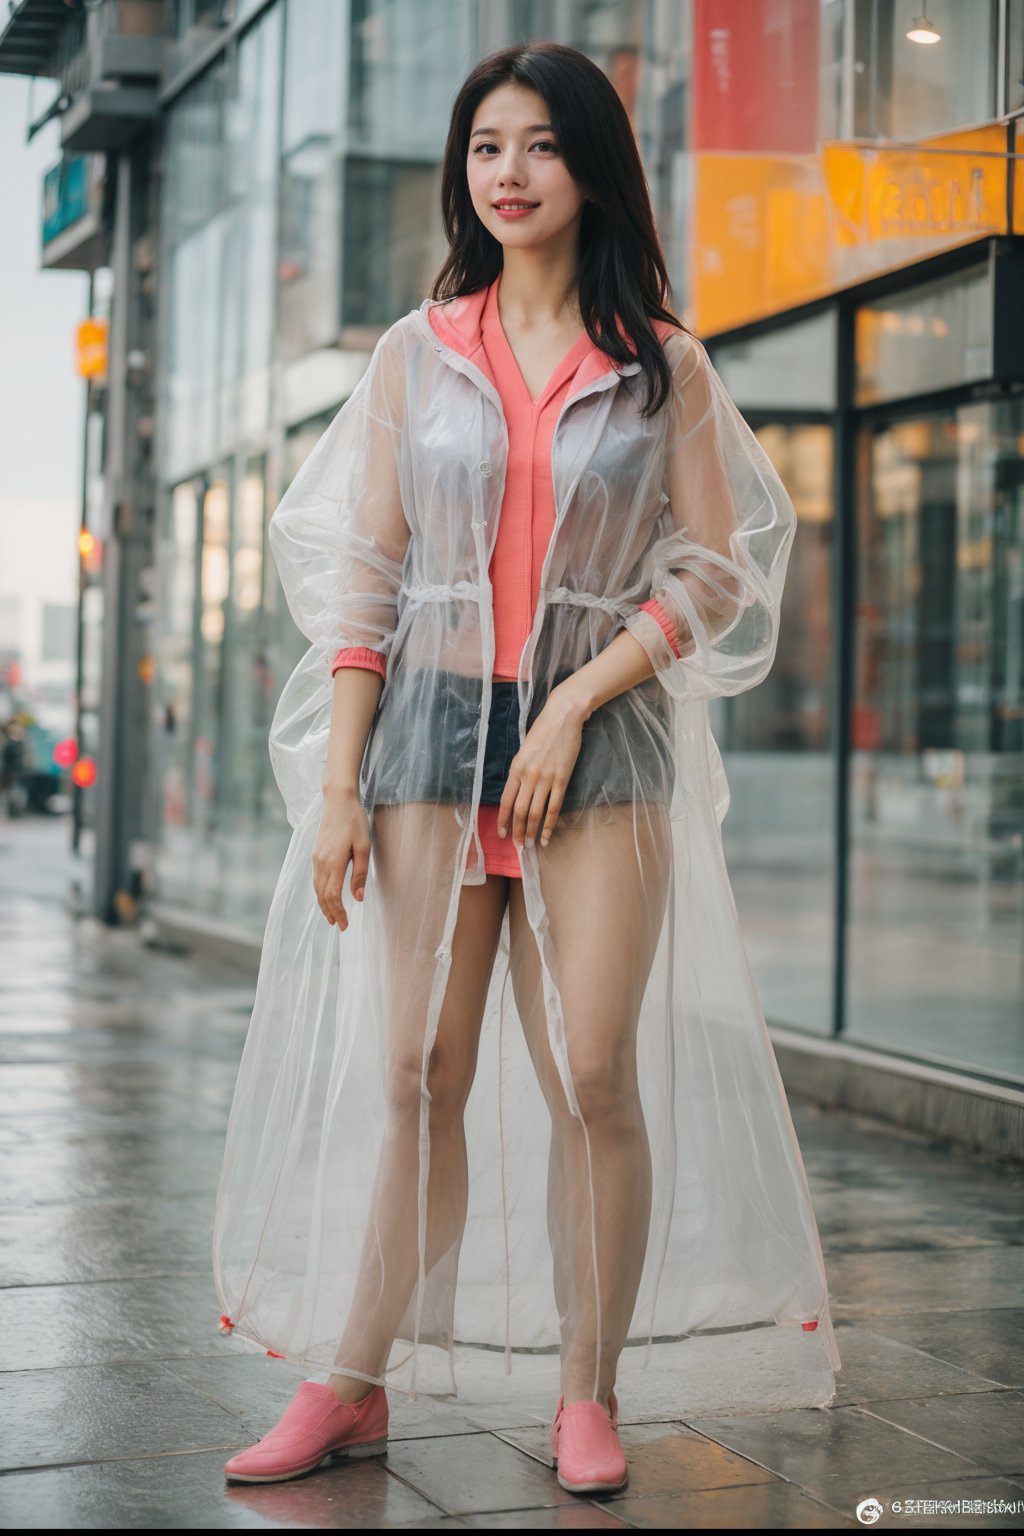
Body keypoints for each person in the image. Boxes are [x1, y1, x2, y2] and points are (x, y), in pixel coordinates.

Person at [214, 41, 841, 1495]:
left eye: (540, 144)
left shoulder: (660, 363)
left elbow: (715, 567)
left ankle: (587, 1392)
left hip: (599, 755)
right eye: (487, 145)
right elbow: (367, 576)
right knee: (419, 1074)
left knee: (595, 1072)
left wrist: (573, 705)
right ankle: (353, 1383)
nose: (509, 171)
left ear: (592, 165)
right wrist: (336, 786)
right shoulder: (413, 352)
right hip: (426, 750)